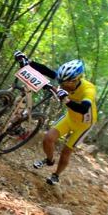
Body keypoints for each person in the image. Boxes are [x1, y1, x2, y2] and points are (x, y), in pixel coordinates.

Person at [13, 51, 97, 185]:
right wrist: (28, 61)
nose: (62, 85)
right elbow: (47, 71)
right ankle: (49, 160)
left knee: (65, 152)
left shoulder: (88, 89)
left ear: (76, 80)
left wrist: (67, 101)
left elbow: (84, 109)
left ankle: (56, 175)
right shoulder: (66, 78)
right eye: (61, 82)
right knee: (48, 139)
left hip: (83, 125)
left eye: (66, 84)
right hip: (69, 118)